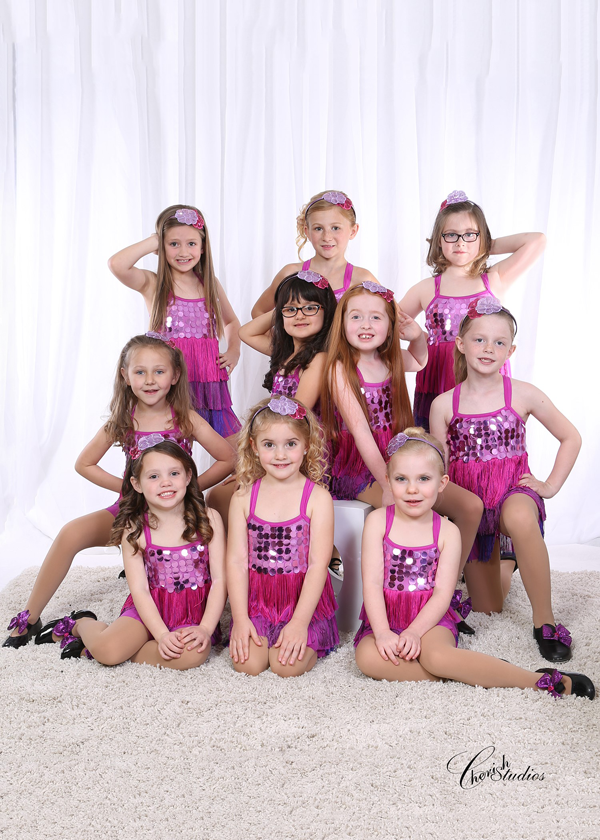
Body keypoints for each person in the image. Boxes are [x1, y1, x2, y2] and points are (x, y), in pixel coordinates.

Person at [3, 335, 234, 648]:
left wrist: (189, 489)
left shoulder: (186, 419)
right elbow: (84, 464)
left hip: (176, 518)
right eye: (140, 372)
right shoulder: (124, 420)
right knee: (71, 533)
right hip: (130, 513)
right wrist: (131, 490)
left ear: (175, 375)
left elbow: (228, 458)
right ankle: (30, 618)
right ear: (125, 376)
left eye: (159, 371)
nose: (149, 380)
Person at [354, 430, 594, 699]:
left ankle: (533, 679)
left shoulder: (446, 532)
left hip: (430, 619)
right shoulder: (377, 522)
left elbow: (443, 594)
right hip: (387, 616)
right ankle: (476, 671)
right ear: (387, 480)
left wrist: (413, 631)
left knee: (437, 657)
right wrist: (384, 633)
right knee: (366, 659)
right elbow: (372, 584)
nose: (412, 489)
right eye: (401, 479)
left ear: (442, 483)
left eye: (423, 479)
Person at [429, 297, 581, 663]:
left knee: (517, 516)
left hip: (514, 491)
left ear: (510, 350)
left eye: (499, 342)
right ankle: (506, 561)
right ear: (461, 345)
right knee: (489, 607)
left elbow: (571, 437)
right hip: (472, 509)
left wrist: (550, 485)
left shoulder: (523, 393)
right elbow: (441, 470)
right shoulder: (444, 404)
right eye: (480, 340)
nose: (489, 348)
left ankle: (544, 621)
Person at [41, 441, 226, 669]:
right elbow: (139, 590)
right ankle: (81, 624)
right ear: (136, 484)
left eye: (174, 473)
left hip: (192, 612)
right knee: (108, 652)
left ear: (188, 476)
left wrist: (206, 628)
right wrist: (160, 634)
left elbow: (219, 580)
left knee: (192, 655)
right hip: (149, 606)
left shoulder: (210, 519)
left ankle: (110, 650)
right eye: (153, 477)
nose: (165, 482)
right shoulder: (134, 527)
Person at [399, 190, 546, 432]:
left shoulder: (494, 279)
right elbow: (388, 325)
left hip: (484, 374)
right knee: (439, 448)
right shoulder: (425, 289)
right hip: (438, 378)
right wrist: (420, 340)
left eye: (469, 234)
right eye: (451, 235)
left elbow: (537, 240)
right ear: (438, 239)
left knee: (483, 447)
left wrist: (484, 244)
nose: (460, 242)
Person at [227, 396, 339, 677]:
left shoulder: (318, 497)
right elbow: (237, 563)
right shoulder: (242, 498)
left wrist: (300, 622)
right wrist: (240, 619)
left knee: (285, 666)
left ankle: (310, 634)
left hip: (302, 602)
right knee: (247, 664)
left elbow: (318, 565)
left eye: (290, 444)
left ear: (306, 446)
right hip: (259, 602)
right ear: (253, 447)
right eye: (269, 445)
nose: (280, 455)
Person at [108, 204, 241, 437]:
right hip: (169, 381)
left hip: (208, 379)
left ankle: (201, 477)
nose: (183, 252)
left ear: (202, 247)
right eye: (173, 244)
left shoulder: (210, 284)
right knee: (172, 450)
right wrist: (154, 241)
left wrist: (234, 350)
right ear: (162, 246)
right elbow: (117, 264)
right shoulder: (153, 283)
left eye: (191, 243)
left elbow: (230, 321)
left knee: (233, 455)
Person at [251, 190, 379, 316]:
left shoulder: (362, 279)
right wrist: (278, 337)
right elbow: (259, 311)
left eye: (335, 228)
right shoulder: (290, 274)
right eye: (318, 228)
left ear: (353, 231)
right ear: (307, 231)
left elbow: (391, 318)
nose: (327, 237)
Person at [239, 271, 336, 409]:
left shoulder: (319, 359)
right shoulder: (286, 352)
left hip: (299, 428)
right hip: (283, 426)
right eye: (291, 309)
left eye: (309, 308)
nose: (299, 316)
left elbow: (298, 413)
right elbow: (245, 332)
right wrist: (281, 308)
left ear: (327, 311)